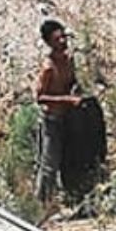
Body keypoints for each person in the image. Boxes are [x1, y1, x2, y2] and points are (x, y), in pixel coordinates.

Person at [34, 19, 82, 203]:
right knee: (49, 165)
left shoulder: (68, 60)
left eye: (64, 37)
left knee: (69, 159)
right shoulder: (48, 67)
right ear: (49, 43)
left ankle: (67, 198)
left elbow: (71, 82)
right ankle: (42, 204)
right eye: (57, 39)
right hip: (52, 119)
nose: (62, 41)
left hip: (68, 118)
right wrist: (66, 99)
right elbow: (40, 97)